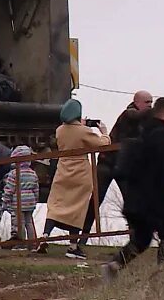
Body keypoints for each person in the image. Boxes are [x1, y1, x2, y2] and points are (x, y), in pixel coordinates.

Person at [100, 97, 164, 282]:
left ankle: (115, 265)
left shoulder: (142, 134)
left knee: (142, 239)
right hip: (158, 199)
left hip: (135, 200)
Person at [36, 99, 111, 260]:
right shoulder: (84, 131)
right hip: (80, 172)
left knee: (56, 204)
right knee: (77, 208)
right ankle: (73, 246)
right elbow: (101, 144)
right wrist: (104, 132)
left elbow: (69, 134)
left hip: (62, 170)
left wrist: (80, 125)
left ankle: (45, 235)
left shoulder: (59, 130)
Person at [87, 90, 152, 242]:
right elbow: (135, 116)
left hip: (122, 165)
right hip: (107, 162)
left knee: (131, 201)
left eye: (151, 103)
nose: (150, 106)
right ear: (137, 102)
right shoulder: (128, 113)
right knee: (96, 201)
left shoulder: (145, 121)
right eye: (147, 102)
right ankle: (80, 238)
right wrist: (160, 111)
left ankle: (134, 239)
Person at [2, 146, 40, 249]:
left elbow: (9, 188)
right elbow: (36, 189)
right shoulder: (33, 173)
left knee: (20, 223)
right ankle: (33, 243)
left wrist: (6, 200)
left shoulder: (14, 173)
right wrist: (35, 200)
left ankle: (21, 243)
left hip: (18, 202)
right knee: (29, 222)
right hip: (30, 202)